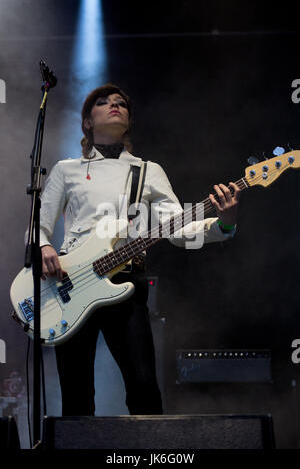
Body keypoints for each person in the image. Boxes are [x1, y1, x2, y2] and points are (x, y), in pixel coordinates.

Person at [40, 84, 241, 416]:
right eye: (103, 103)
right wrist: (45, 245)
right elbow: (40, 223)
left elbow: (179, 230)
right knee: (76, 393)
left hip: (126, 283)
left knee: (144, 386)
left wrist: (224, 223)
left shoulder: (148, 171)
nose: (114, 106)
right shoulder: (66, 169)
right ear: (87, 122)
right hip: (70, 284)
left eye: (121, 103)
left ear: (129, 121)